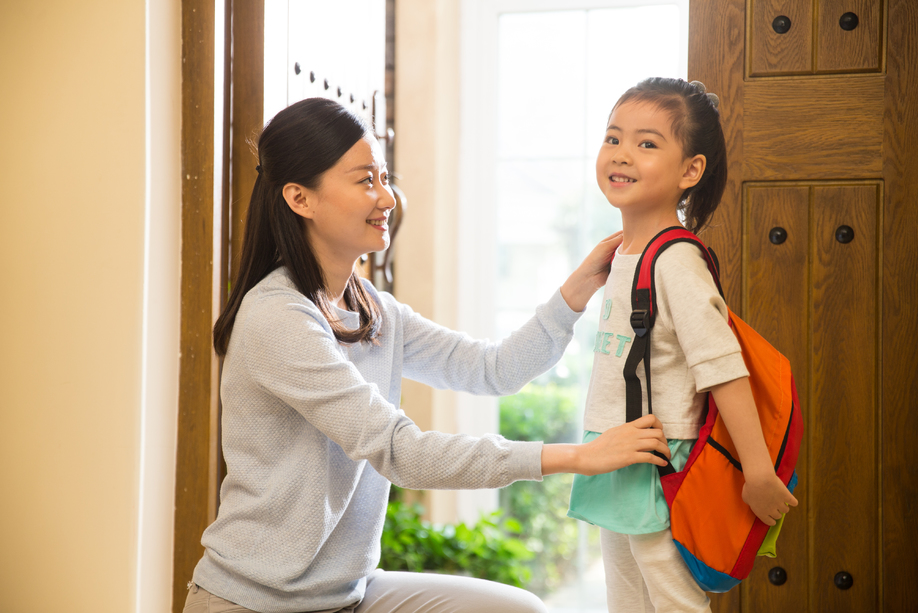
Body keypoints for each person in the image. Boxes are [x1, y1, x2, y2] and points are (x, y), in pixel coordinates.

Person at [183, 96, 672, 613]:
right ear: (300, 198)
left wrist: (577, 290)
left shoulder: (373, 312)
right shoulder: (277, 318)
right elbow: (402, 452)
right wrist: (576, 458)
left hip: (349, 594)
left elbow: (493, 370)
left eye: (384, 177)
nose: (387, 197)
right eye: (364, 180)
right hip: (254, 601)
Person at [566, 78, 799, 613]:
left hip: (662, 465)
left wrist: (758, 473)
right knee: (626, 605)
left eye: (647, 143)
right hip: (618, 455)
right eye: (613, 137)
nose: (622, 154)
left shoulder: (676, 261)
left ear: (690, 171)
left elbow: (722, 368)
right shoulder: (624, 254)